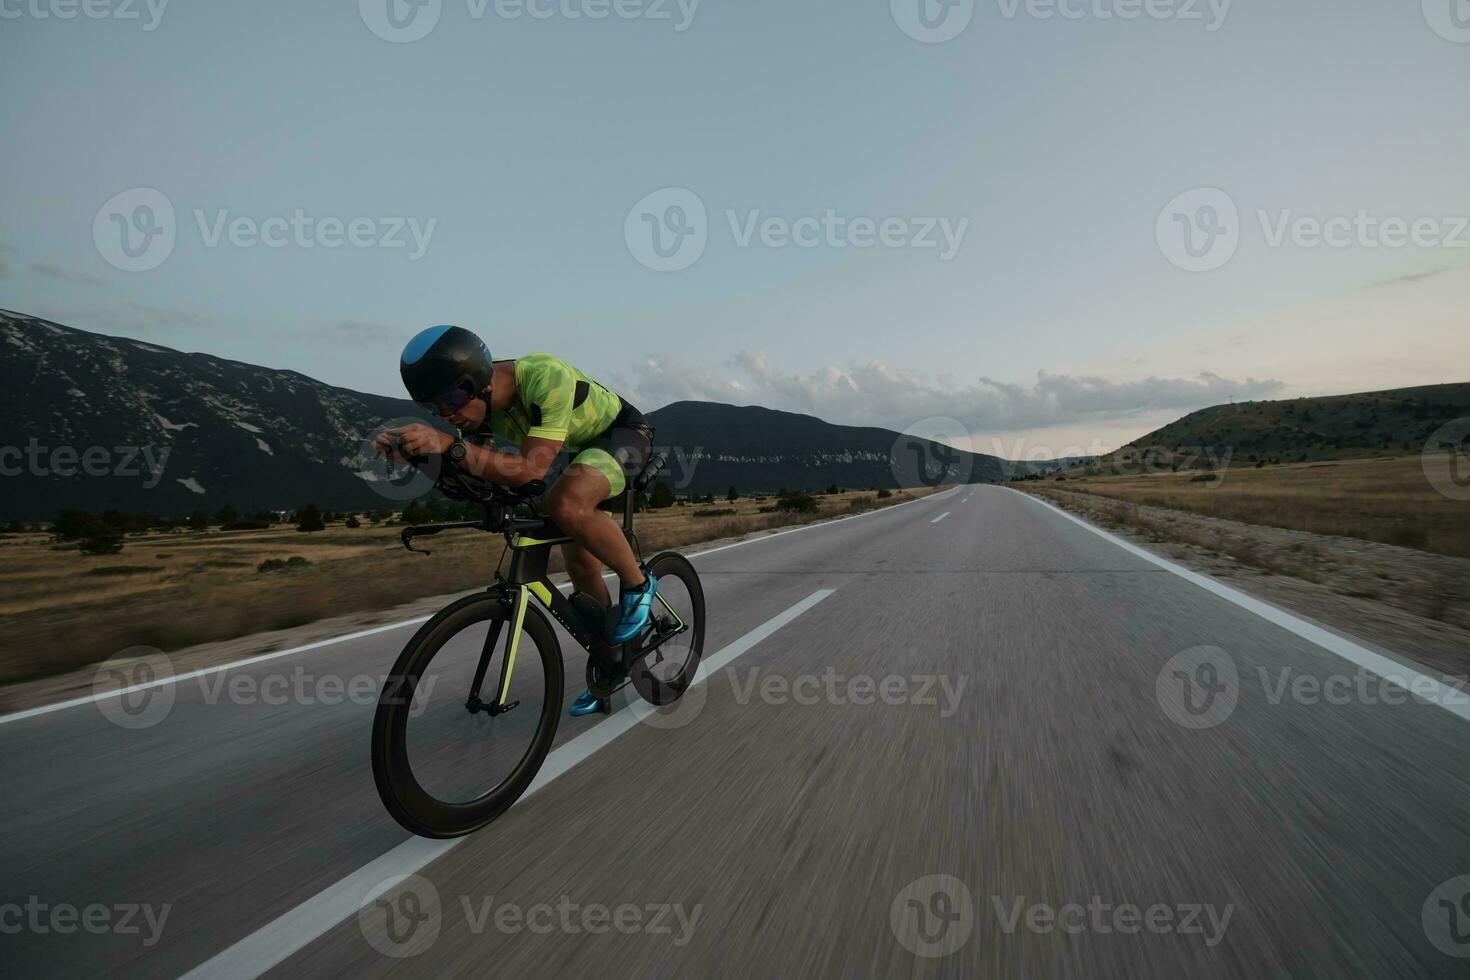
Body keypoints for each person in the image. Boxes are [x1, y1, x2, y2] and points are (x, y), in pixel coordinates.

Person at [375, 325, 655, 717]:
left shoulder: (545, 376)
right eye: (433, 409)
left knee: (566, 504)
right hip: (576, 451)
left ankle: (638, 584)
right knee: (578, 560)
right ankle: (613, 661)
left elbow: (529, 472)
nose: (447, 414)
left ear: (480, 383)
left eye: (452, 399)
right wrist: (422, 458)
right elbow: (477, 476)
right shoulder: (474, 414)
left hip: (621, 434)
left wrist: (449, 445)